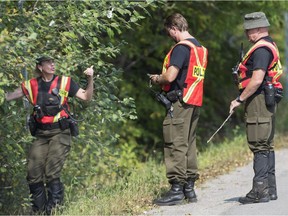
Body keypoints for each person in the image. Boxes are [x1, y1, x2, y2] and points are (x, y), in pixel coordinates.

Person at [5, 56, 94, 214]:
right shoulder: (31, 85)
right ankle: (39, 211)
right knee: (33, 173)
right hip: (41, 134)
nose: (53, 65)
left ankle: (53, 211)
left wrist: (90, 78)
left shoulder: (65, 82)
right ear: (40, 67)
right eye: (48, 63)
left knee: (52, 172)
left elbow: (86, 97)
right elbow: (8, 96)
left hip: (60, 131)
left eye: (54, 62)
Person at [149, 13, 208, 206]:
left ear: (174, 28)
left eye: (169, 32)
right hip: (194, 100)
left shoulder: (181, 48)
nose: (170, 36)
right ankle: (189, 189)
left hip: (180, 103)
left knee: (174, 142)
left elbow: (171, 76)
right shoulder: (200, 48)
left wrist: (157, 78)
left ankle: (176, 190)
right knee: (189, 144)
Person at [229, 12, 283, 204]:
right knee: (266, 144)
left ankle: (259, 191)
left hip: (258, 100)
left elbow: (257, 80)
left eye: (249, 30)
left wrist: (239, 100)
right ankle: (270, 190)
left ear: (259, 28)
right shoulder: (269, 45)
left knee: (259, 143)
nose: (246, 34)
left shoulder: (261, 49)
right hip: (265, 100)